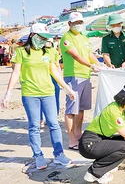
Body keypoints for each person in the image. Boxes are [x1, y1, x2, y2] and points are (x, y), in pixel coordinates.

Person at [1, 23, 75, 170]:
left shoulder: (50, 51)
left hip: (48, 93)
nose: (43, 40)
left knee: (54, 124)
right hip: (30, 94)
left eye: (45, 38)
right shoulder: (21, 52)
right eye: (41, 37)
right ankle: (38, 156)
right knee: (34, 126)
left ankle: (59, 155)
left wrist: (67, 88)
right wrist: (7, 94)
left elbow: (55, 72)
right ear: (32, 35)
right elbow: (15, 73)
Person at [60, 12, 103, 150]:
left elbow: (90, 54)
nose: (78, 25)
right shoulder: (67, 38)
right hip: (73, 76)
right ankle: (72, 139)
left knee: (81, 108)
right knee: (72, 109)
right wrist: (91, 65)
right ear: (69, 24)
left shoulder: (84, 38)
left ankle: (79, 134)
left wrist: (100, 64)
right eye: (75, 23)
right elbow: (76, 55)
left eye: (80, 23)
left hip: (86, 76)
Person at [40, 38, 62, 128]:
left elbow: (57, 65)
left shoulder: (54, 51)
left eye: (49, 41)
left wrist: (60, 78)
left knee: (55, 98)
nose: (48, 43)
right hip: (43, 77)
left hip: (53, 77)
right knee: (41, 98)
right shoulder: (39, 51)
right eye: (46, 41)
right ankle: (40, 119)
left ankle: (54, 118)